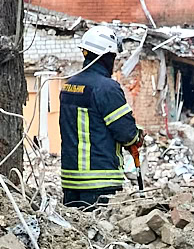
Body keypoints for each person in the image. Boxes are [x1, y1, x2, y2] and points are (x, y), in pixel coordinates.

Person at [59, 26, 141, 207]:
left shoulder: (69, 86)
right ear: (105, 57)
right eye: (113, 57)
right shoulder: (106, 88)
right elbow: (126, 133)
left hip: (70, 181)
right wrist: (137, 137)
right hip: (99, 181)